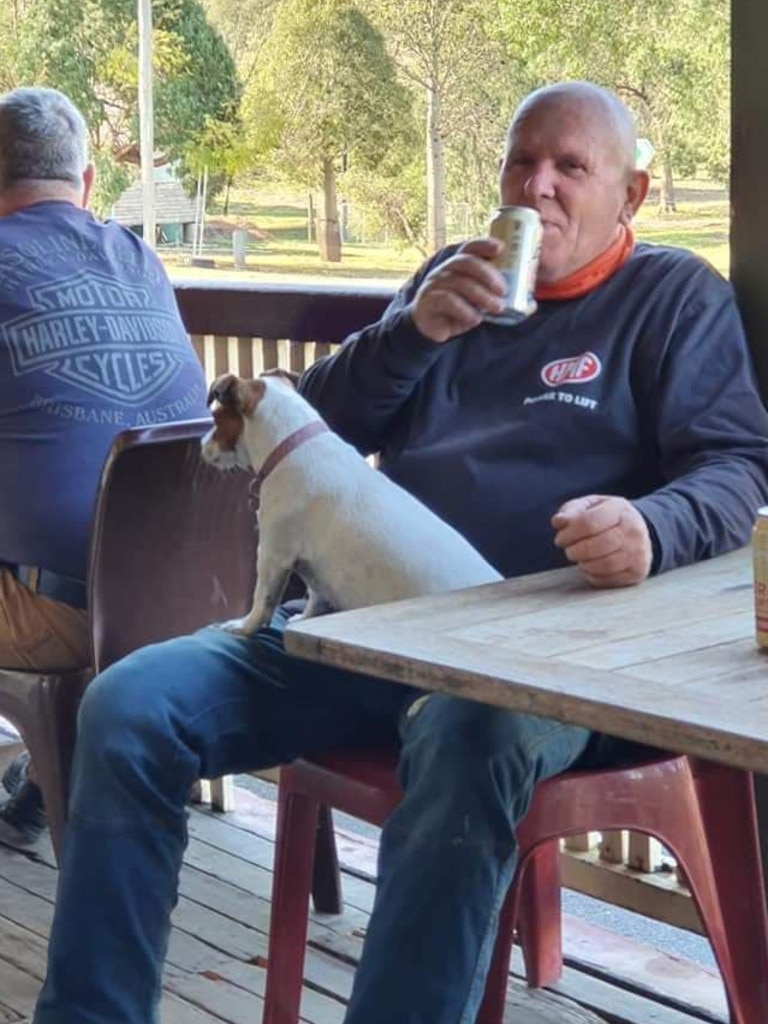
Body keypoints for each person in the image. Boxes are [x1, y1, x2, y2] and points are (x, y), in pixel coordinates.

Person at [33, 81, 768, 1024]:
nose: (537, 187)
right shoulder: (449, 283)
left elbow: (738, 466)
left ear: (631, 195)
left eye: (571, 168)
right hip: (366, 627)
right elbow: (313, 427)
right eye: (521, 160)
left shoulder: (674, 300)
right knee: (129, 703)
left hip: (538, 662)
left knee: (467, 736)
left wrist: (651, 527)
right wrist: (411, 332)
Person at [0, 87, 209, 842]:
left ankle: (46, 775)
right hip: (200, 594)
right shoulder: (138, 258)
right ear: (87, 184)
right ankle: (43, 778)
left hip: (64, 614)